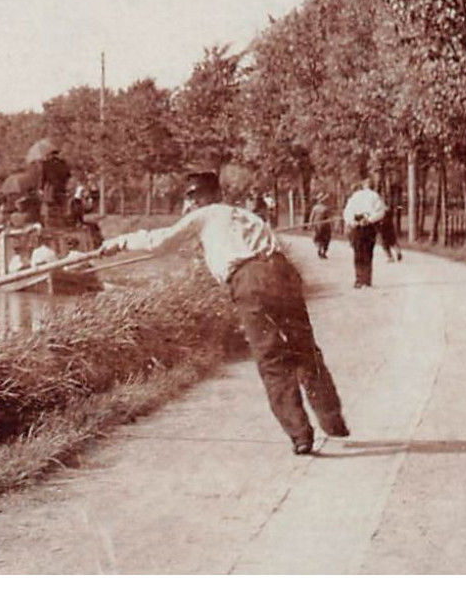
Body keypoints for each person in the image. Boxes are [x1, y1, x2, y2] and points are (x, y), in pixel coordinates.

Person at [101, 170, 349, 456]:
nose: (192, 203)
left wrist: (119, 243)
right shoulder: (243, 214)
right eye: (190, 198)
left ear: (208, 197)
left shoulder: (204, 215)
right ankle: (332, 420)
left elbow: (160, 243)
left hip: (250, 280)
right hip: (282, 271)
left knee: (271, 356)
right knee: (304, 348)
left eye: (194, 197)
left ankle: (300, 435)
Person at [343, 179, 388, 289]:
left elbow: (347, 212)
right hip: (367, 225)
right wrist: (369, 220)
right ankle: (366, 280)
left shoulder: (355, 196)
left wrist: (352, 221)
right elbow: (380, 212)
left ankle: (360, 280)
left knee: (358, 252)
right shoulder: (374, 196)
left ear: (363, 186)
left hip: (360, 224)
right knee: (367, 252)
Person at [308, 192, 334, 259]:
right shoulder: (324, 208)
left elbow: (312, 217)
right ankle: (322, 251)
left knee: (321, 239)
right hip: (323, 226)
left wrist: (310, 224)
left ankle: (321, 250)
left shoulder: (317, 208)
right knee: (323, 239)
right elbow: (329, 218)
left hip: (320, 225)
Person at [379, 197, 404, 263]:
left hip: (383, 227)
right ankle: (397, 251)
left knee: (384, 243)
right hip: (390, 227)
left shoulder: (380, 209)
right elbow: (398, 207)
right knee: (393, 240)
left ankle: (390, 257)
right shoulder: (389, 208)